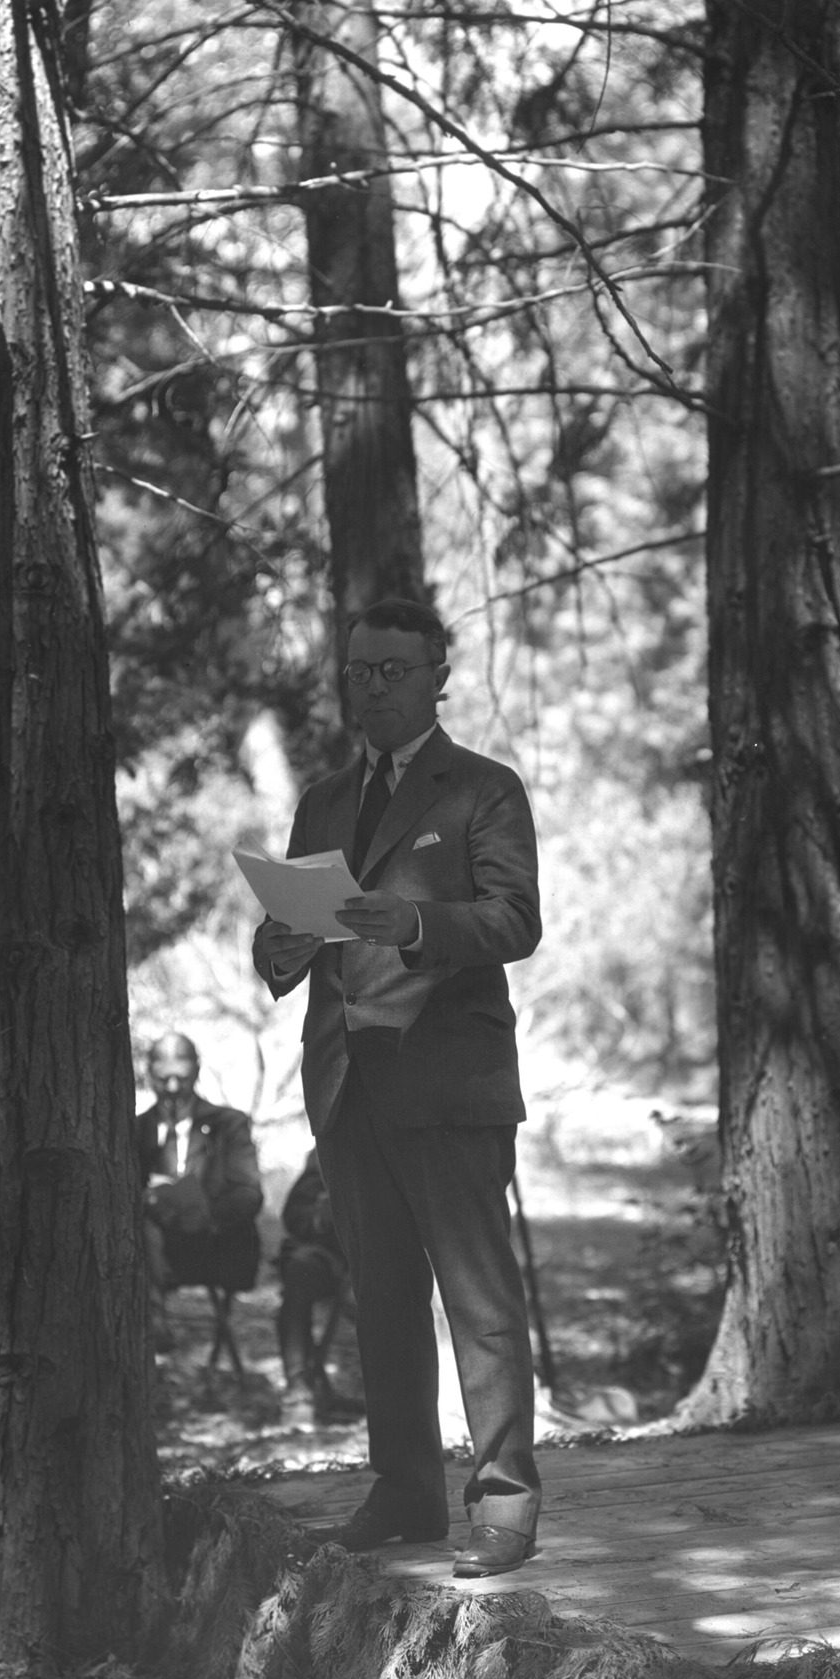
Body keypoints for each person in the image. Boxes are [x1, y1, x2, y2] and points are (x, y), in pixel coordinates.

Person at [251, 596, 543, 1578]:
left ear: (437, 675)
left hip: (449, 1076)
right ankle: (405, 1488)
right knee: (380, 1294)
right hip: (346, 1082)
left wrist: (414, 926)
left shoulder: (483, 789)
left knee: (479, 1297)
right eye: (358, 671)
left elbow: (513, 921)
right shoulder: (325, 798)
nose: (371, 686)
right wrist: (281, 943)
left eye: (392, 669)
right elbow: (285, 932)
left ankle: (503, 1499)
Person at [135, 1034, 263, 1344]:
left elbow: (249, 1193)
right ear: (149, 1075)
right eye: (163, 1079)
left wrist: (206, 1215)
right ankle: (154, 1320)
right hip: (155, 1247)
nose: (173, 1088)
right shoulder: (136, 1129)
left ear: (197, 1071)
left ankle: (154, 1318)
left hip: (213, 1247)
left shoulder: (228, 1125)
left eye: (183, 1077)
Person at [277, 1149, 357, 1424]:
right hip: (331, 1258)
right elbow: (293, 1214)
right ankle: (299, 1386)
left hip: (383, 1259)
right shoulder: (325, 1154)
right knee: (300, 1268)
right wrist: (320, 1216)